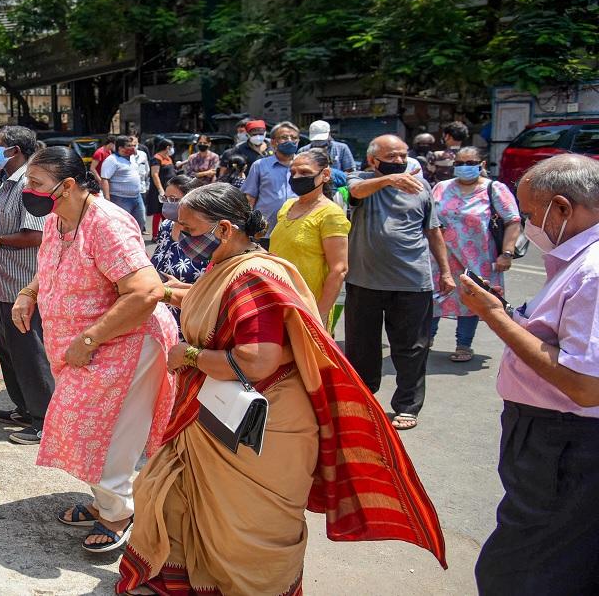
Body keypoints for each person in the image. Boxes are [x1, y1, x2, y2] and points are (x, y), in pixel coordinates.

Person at [119, 183, 446, 595]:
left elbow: (256, 362)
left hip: (259, 428)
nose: (178, 235)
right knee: (173, 495)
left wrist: (186, 356)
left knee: (248, 531)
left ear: (222, 230)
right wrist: (165, 292)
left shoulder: (252, 276)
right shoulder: (236, 265)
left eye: (187, 227)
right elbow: (214, 306)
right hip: (224, 415)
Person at [11, 146, 177, 552]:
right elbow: (50, 267)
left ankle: (119, 513)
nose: (27, 191)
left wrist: (89, 339)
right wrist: (29, 292)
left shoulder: (107, 223)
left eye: (35, 184)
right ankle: (106, 500)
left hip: (126, 345)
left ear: (67, 185)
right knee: (80, 428)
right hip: (89, 350)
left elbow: (146, 292)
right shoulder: (56, 218)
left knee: (109, 435)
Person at [460, 154, 599, 594]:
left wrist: (494, 318)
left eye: (532, 215)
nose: (527, 226)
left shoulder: (593, 272)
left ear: (562, 208)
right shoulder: (579, 262)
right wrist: (512, 314)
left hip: (563, 443)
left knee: (520, 571)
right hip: (554, 439)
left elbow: (584, 384)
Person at [344, 135, 455, 431]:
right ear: (373, 160)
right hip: (364, 281)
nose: (399, 161)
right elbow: (354, 190)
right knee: (361, 347)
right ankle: (363, 399)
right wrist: (389, 181)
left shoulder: (422, 187)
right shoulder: (361, 179)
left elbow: (433, 232)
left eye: (402, 155)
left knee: (412, 348)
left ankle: (407, 406)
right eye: (391, 156)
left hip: (412, 282)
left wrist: (445, 272)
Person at [0, 126, 54, 445]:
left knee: (31, 352)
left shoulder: (29, 185)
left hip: (22, 284)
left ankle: (45, 419)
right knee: (11, 351)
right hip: (1, 282)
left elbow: (37, 235)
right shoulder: (6, 183)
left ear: (15, 150)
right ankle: (25, 407)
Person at [429, 147, 521, 362]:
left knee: (471, 298)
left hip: (478, 258)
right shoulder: (441, 187)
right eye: (460, 163)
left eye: (470, 163)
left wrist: (507, 253)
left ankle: (464, 344)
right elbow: (429, 218)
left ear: (482, 165)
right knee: (433, 299)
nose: (464, 167)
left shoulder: (494, 189)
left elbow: (513, 220)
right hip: (440, 257)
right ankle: (426, 339)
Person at [269, 149, 351, 329]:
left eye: (305, 172)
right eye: (293, 173)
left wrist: (319, 315)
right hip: (276, 300)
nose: (297, 177)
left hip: (307, 307)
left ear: (325, 175)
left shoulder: (331, 214)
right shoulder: (287, 206)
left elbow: (339, 269)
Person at [241, 121, 301, 248]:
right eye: (284, 137)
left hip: (298, 231)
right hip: (266, 233)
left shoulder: (305, 166)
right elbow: (249, 198)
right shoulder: (260, 166)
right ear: (273, 142)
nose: (289, 141)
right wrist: (246, 227)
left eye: (294, 138)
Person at [150, 173, 206, 295]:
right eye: (165, 198)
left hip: (187, 307)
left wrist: (180, 289)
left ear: (192, 201)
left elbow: (213, 290)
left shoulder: (207, 236)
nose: (167, 204)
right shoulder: (166, 226)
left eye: (173, 199)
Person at [100, 136, 149, 231]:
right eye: (129, 146)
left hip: (137, 197)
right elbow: (105, 179)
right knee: (122, 225)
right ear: (120, 148)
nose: (133, 148)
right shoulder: (112, 160)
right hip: (120, 199)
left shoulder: (132, 158)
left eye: (133, 145)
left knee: (141, 222)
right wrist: (107, 200)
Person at [146, 136, 177, 236]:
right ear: (167, 147)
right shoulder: (156, 158)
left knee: (167, 212)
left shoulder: (168, 158)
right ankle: (155, 235)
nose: (172, 149)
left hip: (169, 189)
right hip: (160, 189)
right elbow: (155, 174)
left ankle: (166, 233)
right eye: (171, 147)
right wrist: (161, 190)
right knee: (158, 212)